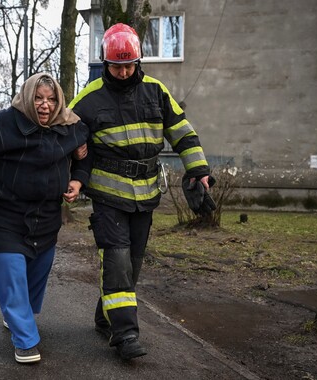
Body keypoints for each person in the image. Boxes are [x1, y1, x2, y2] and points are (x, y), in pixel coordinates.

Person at [68, 23, 215, 360]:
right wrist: (73, 170)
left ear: (138, 61)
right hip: (107, 195)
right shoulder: (88, 99)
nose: (122, 72)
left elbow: (183, 133)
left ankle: (105, 316)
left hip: (145, 195)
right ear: (105, 63)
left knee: (131, 264)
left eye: (128, 65)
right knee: (117, 259)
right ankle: (125, 335)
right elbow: (65, 137)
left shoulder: (155, 91)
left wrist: (199, 171)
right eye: (116, 66)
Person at [0, 73, 89, 364]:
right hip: (2, 215)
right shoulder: (1, 124)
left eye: (51, 99)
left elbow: (86, 152)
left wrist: (79, 178)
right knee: (12, 273)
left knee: (37, 272)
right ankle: (25, 339)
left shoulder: (69, 127)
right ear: (27, 98)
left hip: (46, 216)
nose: (45, 105)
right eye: (38, 98)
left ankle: (18, 315)